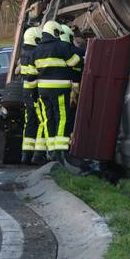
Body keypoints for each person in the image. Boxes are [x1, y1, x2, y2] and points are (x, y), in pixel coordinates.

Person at [32, 20, 82, 160]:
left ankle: (52, 150)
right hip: (59, 90)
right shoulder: (61, 46)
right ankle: (60, 150)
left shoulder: (36, 51)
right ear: (54, 32)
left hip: (43, 92)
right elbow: (74, 62)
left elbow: (32, 74)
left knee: (48, 119)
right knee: (62, 118)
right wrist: (80, 54)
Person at [18, 26, 46, 164]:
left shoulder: (24, 53)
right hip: (35, 92)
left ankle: (26, 154)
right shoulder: (34, 54)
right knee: (42, 121)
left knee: (29, 123)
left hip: (26, 93)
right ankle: (38, 155)